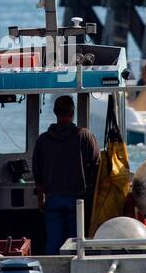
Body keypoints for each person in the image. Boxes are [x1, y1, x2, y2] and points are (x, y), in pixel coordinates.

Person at [32, 96, 100, 255]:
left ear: (55, 112)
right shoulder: (85, 136)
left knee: (53, 242)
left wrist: (40, 197)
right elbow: (97, 166)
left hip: (52, 199)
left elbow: (37, 172)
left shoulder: (43, 140)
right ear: (72, 112)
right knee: (75, 242)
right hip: (78, 200)